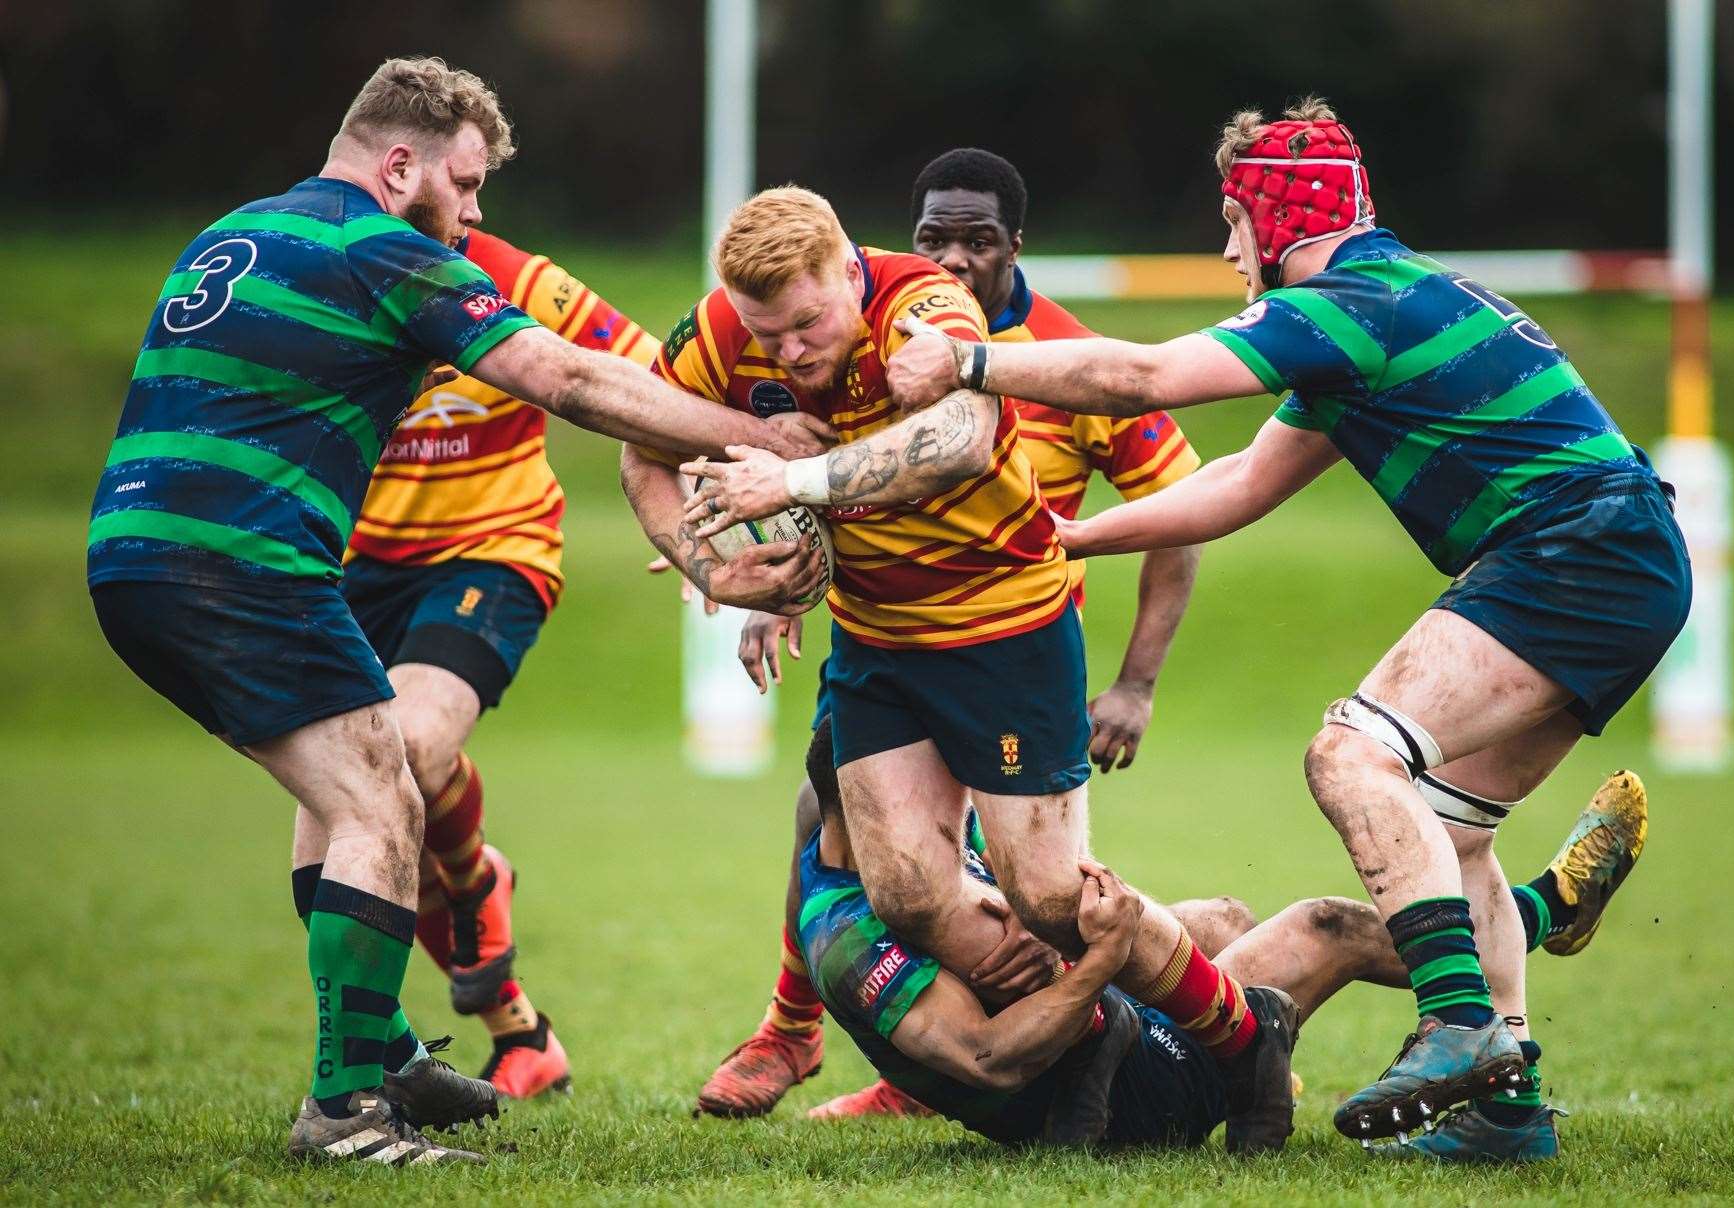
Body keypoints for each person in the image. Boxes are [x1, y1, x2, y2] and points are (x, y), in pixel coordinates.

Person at [881, 97, 1687, 1157]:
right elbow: (1237, 483)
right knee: (1451, 835)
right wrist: (1067, 538)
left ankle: (1453, 1026)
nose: (1226, 251)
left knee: (1350, 753)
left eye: (1232, 225)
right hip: (1619, 554)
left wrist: (971, 363)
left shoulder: (1348, 302)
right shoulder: (1381, 311)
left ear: (1272, 215)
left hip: (1576, 549)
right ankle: (1508, 1105)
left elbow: (1143, 379)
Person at [86, 56, 830, 1165]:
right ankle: (348, 1112)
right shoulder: (380, 247)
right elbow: (572, 382)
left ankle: (383, 1051)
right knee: (383, 802)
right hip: (243, 565)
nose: (475, 211)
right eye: (464, 182)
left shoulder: (234, 232)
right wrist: (770, 444)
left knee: (365, 781)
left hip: (133, 554)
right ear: (400, 166)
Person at [645, 185, 1296, 1152]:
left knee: (1049, 899)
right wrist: (719, 572)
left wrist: (789, 480)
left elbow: (958, 441)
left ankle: (1246, 1035)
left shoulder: (924, 310)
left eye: (806, 326)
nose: (786, 354)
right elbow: (640, 450)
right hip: (876, 642)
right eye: (765, 336)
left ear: (847, 273)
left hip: (1006, 631)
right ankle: (1081, 1031)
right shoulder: (719, 332)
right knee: (904, 893)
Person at [800, 717, 1649, 1162]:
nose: (958, 798)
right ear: (870, 800)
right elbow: (988, 1058)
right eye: (938, 785)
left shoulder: (894, 840)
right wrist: (1093, 964)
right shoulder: (849, 940)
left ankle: (1532, 922)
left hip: (1093, 1026)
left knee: (1222, 918)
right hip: (1109, 1097)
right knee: (1323, 929)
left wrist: (1058, 933)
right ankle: (1538, 915)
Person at [343, 229, 662, 1099]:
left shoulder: (515, 276)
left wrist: (738, 453)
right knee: (370, 820)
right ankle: (522, 1034)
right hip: (349, 566)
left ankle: (479, 881)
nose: (474, 205)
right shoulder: (328, 269)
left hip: (493, 547)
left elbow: (647, 371)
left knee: (411, 743)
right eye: (466, 179)